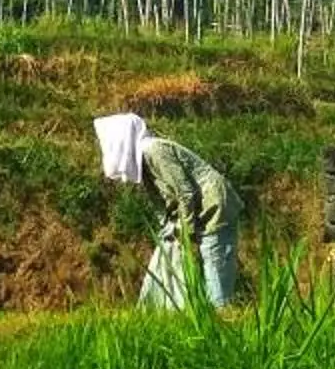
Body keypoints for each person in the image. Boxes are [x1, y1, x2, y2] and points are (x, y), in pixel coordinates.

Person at [95, 111, 241, 310]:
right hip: (199, 208)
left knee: (214, 258)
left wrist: (186, 233)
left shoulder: (154, 150)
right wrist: (171, 233)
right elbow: (163, 204)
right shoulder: (145, 162)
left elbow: (185, 192)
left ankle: (223, 313)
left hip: (214, 205)